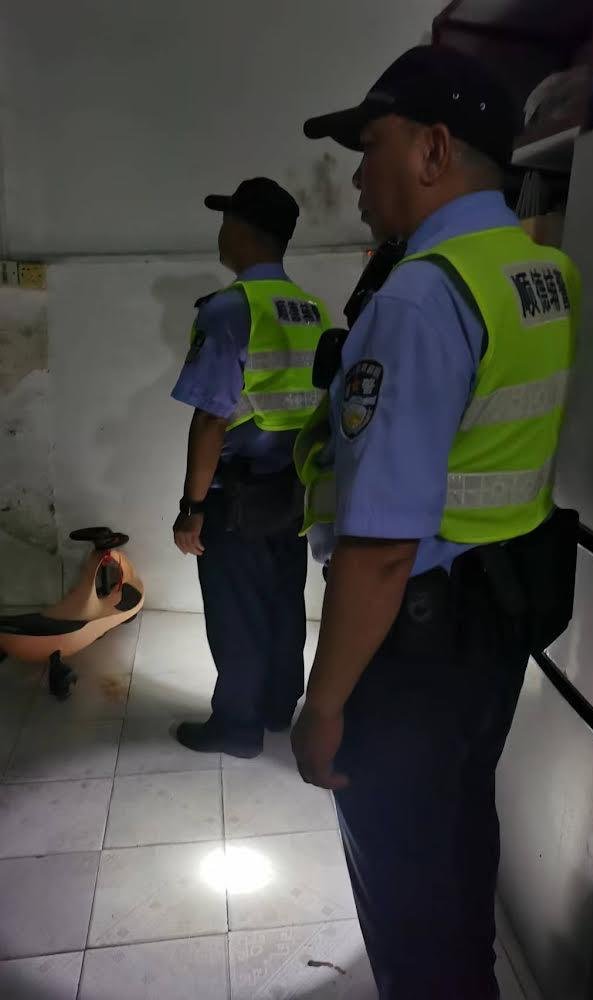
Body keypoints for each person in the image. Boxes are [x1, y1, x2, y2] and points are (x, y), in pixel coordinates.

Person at [291, 46, 580, 999]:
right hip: (493, 624)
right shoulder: (539, 271)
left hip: (414, 647)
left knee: (407, 894)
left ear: (432, 150)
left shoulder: (420, 297)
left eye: (369, 147)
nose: (355, 178)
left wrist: (324, 706)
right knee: (456, 848)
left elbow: (380, 550)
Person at [171, 177, 330, 758]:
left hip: (235, 499)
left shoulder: (228, 310)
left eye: (226, 221)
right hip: (293, 491)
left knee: (235, 612)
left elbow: (211, 420)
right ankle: (277, 706)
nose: (220, 233)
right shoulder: (312, 310)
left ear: (242, 231)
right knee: (283, 601)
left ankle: (237, 727)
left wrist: (192, 507)